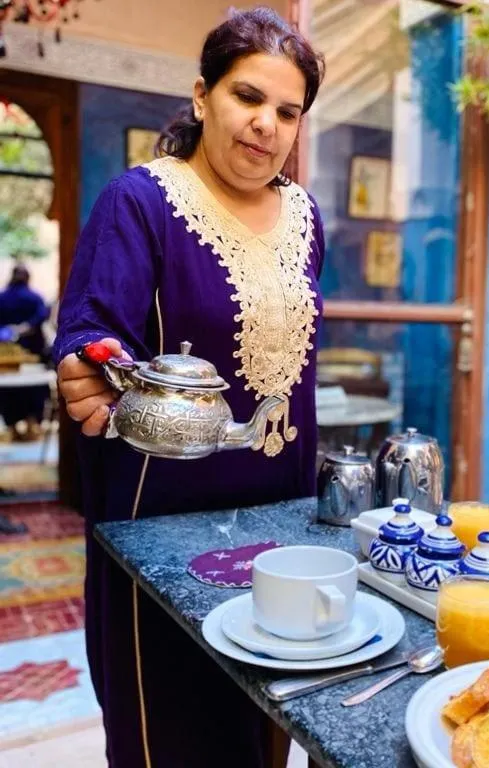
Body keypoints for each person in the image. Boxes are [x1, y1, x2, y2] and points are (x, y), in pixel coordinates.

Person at [53, 8, 325, 767]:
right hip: (163, 525)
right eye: (248, 97)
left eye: (287, 110)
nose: (266, 124)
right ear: (202, 95)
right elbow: (90, 331)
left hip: (284, 517)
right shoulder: (141, 202)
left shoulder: (305, 216)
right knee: (169, 729)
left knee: (270, 720)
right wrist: (86, 367)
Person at [0, 263, 51, 439]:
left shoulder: (2, 297)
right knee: (34, 387)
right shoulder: (35, 297)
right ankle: (33, 423)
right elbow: (43, 315)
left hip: (6, 353)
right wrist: (26, 327)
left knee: (8, 390)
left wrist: (8, 331)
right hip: (33, 351)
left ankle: (13, 427)